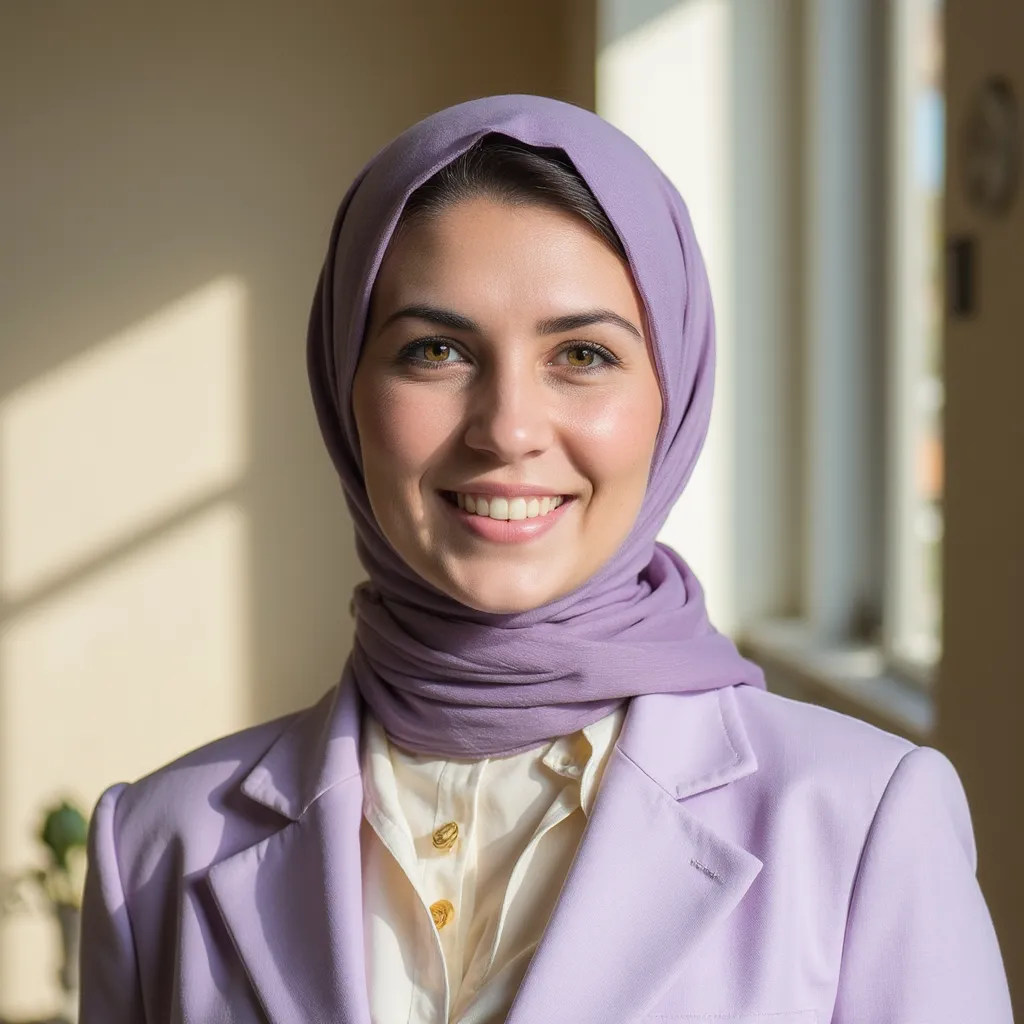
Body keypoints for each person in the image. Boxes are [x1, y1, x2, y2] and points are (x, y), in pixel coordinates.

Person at [79, 95, 1013, 1024]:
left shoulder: (860, 823)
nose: (508, 430)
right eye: (436, 350)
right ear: (342, 388)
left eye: (583, 354)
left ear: (673, 393)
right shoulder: (158, 846)